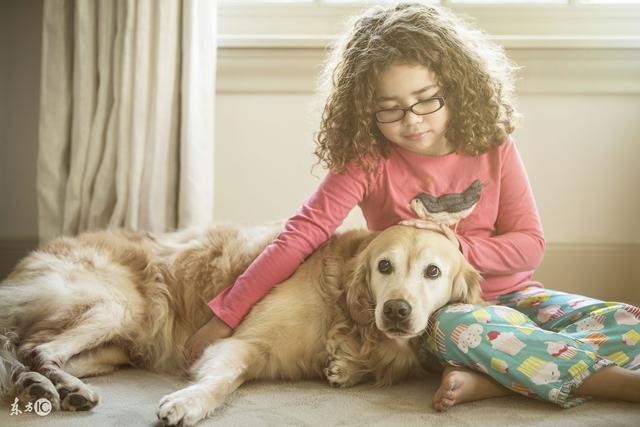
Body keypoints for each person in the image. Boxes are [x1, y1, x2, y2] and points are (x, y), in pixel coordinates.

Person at [185, 1, 640, 410]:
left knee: (628, 323)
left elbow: (530, 245)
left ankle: (496, 382)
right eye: (390, 108)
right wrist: (225, 316)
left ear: (456, 87)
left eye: (425, 100)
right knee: (473, 332)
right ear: (365, 111)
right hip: (439, 312)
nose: (412, 120)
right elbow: (300, 235)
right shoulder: (368, 161)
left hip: (516, 295)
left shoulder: (492, 145)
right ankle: (618, 386)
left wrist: (460, 250)